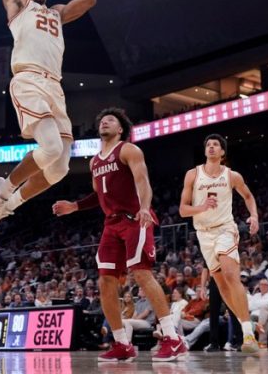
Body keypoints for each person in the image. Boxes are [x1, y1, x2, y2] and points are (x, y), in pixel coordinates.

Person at [0, 0, 100, 233]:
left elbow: (88, 0)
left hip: (54, 86)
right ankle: (3, 188)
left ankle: (7, 206)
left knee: (59, 168)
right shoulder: (18, 5)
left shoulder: (57, 12)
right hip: (29, 79)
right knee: (50, 148)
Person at [53, 107, 187, 362]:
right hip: (111, 224)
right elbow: (98, 195)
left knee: (142, 274)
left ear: (120, 128)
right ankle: (121, 343)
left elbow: (143, 182)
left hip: (135, 218)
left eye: (110, 120)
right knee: (105, 282)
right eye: (101, 120)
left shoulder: (128, 150)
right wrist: (75, 206)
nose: (104, 122)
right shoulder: (94, 161)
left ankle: (172, 338)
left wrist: (145, 209)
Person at [179, 134, 261, 353]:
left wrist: (254, 216)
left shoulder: (231, 175)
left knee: (230, 274)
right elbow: (183, 209)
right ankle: (248, 326)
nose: (211, 147)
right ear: (205, 150)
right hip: (203, 234)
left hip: (225, 229)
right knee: (222, 286)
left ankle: (248, 336)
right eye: (208, 144)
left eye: (216, 145)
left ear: (223, 152)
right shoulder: (193, 175)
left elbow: (249, 196)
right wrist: (202, 207)